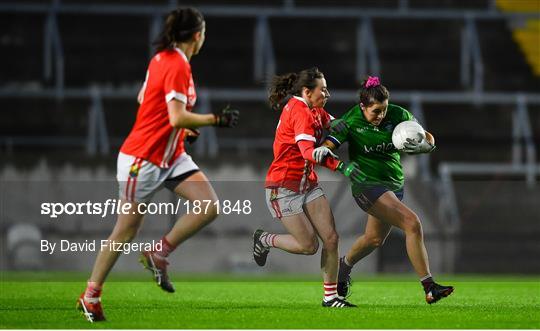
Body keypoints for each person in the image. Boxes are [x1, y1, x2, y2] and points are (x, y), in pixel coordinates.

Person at [76, 7, 239, 322]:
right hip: (143, 160)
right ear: (196, 35)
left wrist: (184, 130)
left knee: (209, 206)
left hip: (171, 155)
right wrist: (213, 120)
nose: (204, 37)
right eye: (203, 32)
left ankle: (158, 252)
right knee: (125, 230)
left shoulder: (165, 59)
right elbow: (175, 115)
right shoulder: (176, 63)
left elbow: (145, 99)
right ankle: (90, 295)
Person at [315, 76, 454, 304]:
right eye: (376, 111)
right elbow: (329, 145)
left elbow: (427, 137)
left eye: (384, 109)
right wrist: (323, 150)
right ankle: (429, 287)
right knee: (413, 223)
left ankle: (343, 267)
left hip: (393, 186)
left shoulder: (399, 115)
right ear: (363, 107)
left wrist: (425, 145)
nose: (381, 115)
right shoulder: (351, 120)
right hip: (366, 185)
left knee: (373, 239)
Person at [252, 67, 363, 308]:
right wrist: (343, 167)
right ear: (306, 91)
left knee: (331, 239)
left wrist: (352, 123)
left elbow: (335, 123)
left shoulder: (313, 108)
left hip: (307, 183)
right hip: (283, 186)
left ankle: (330, 298)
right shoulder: (300, 111)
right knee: (309, 246)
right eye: (323, 90)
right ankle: (264, 239)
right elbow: (308, 153)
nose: (328, 94)